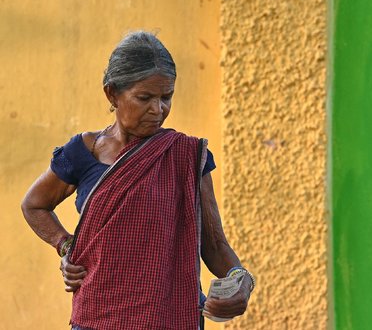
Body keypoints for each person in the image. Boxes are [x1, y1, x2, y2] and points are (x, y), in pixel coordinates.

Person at [21, 31, 253, 329]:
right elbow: (34, 205)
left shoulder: (187, 156)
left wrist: (241, 281)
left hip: (169, 318)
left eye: (166, 97)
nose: (158, 110)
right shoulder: (82, 153)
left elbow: (215, 243)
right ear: (112, 94)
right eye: (144, 98)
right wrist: (65, 246)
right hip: (98, 317)